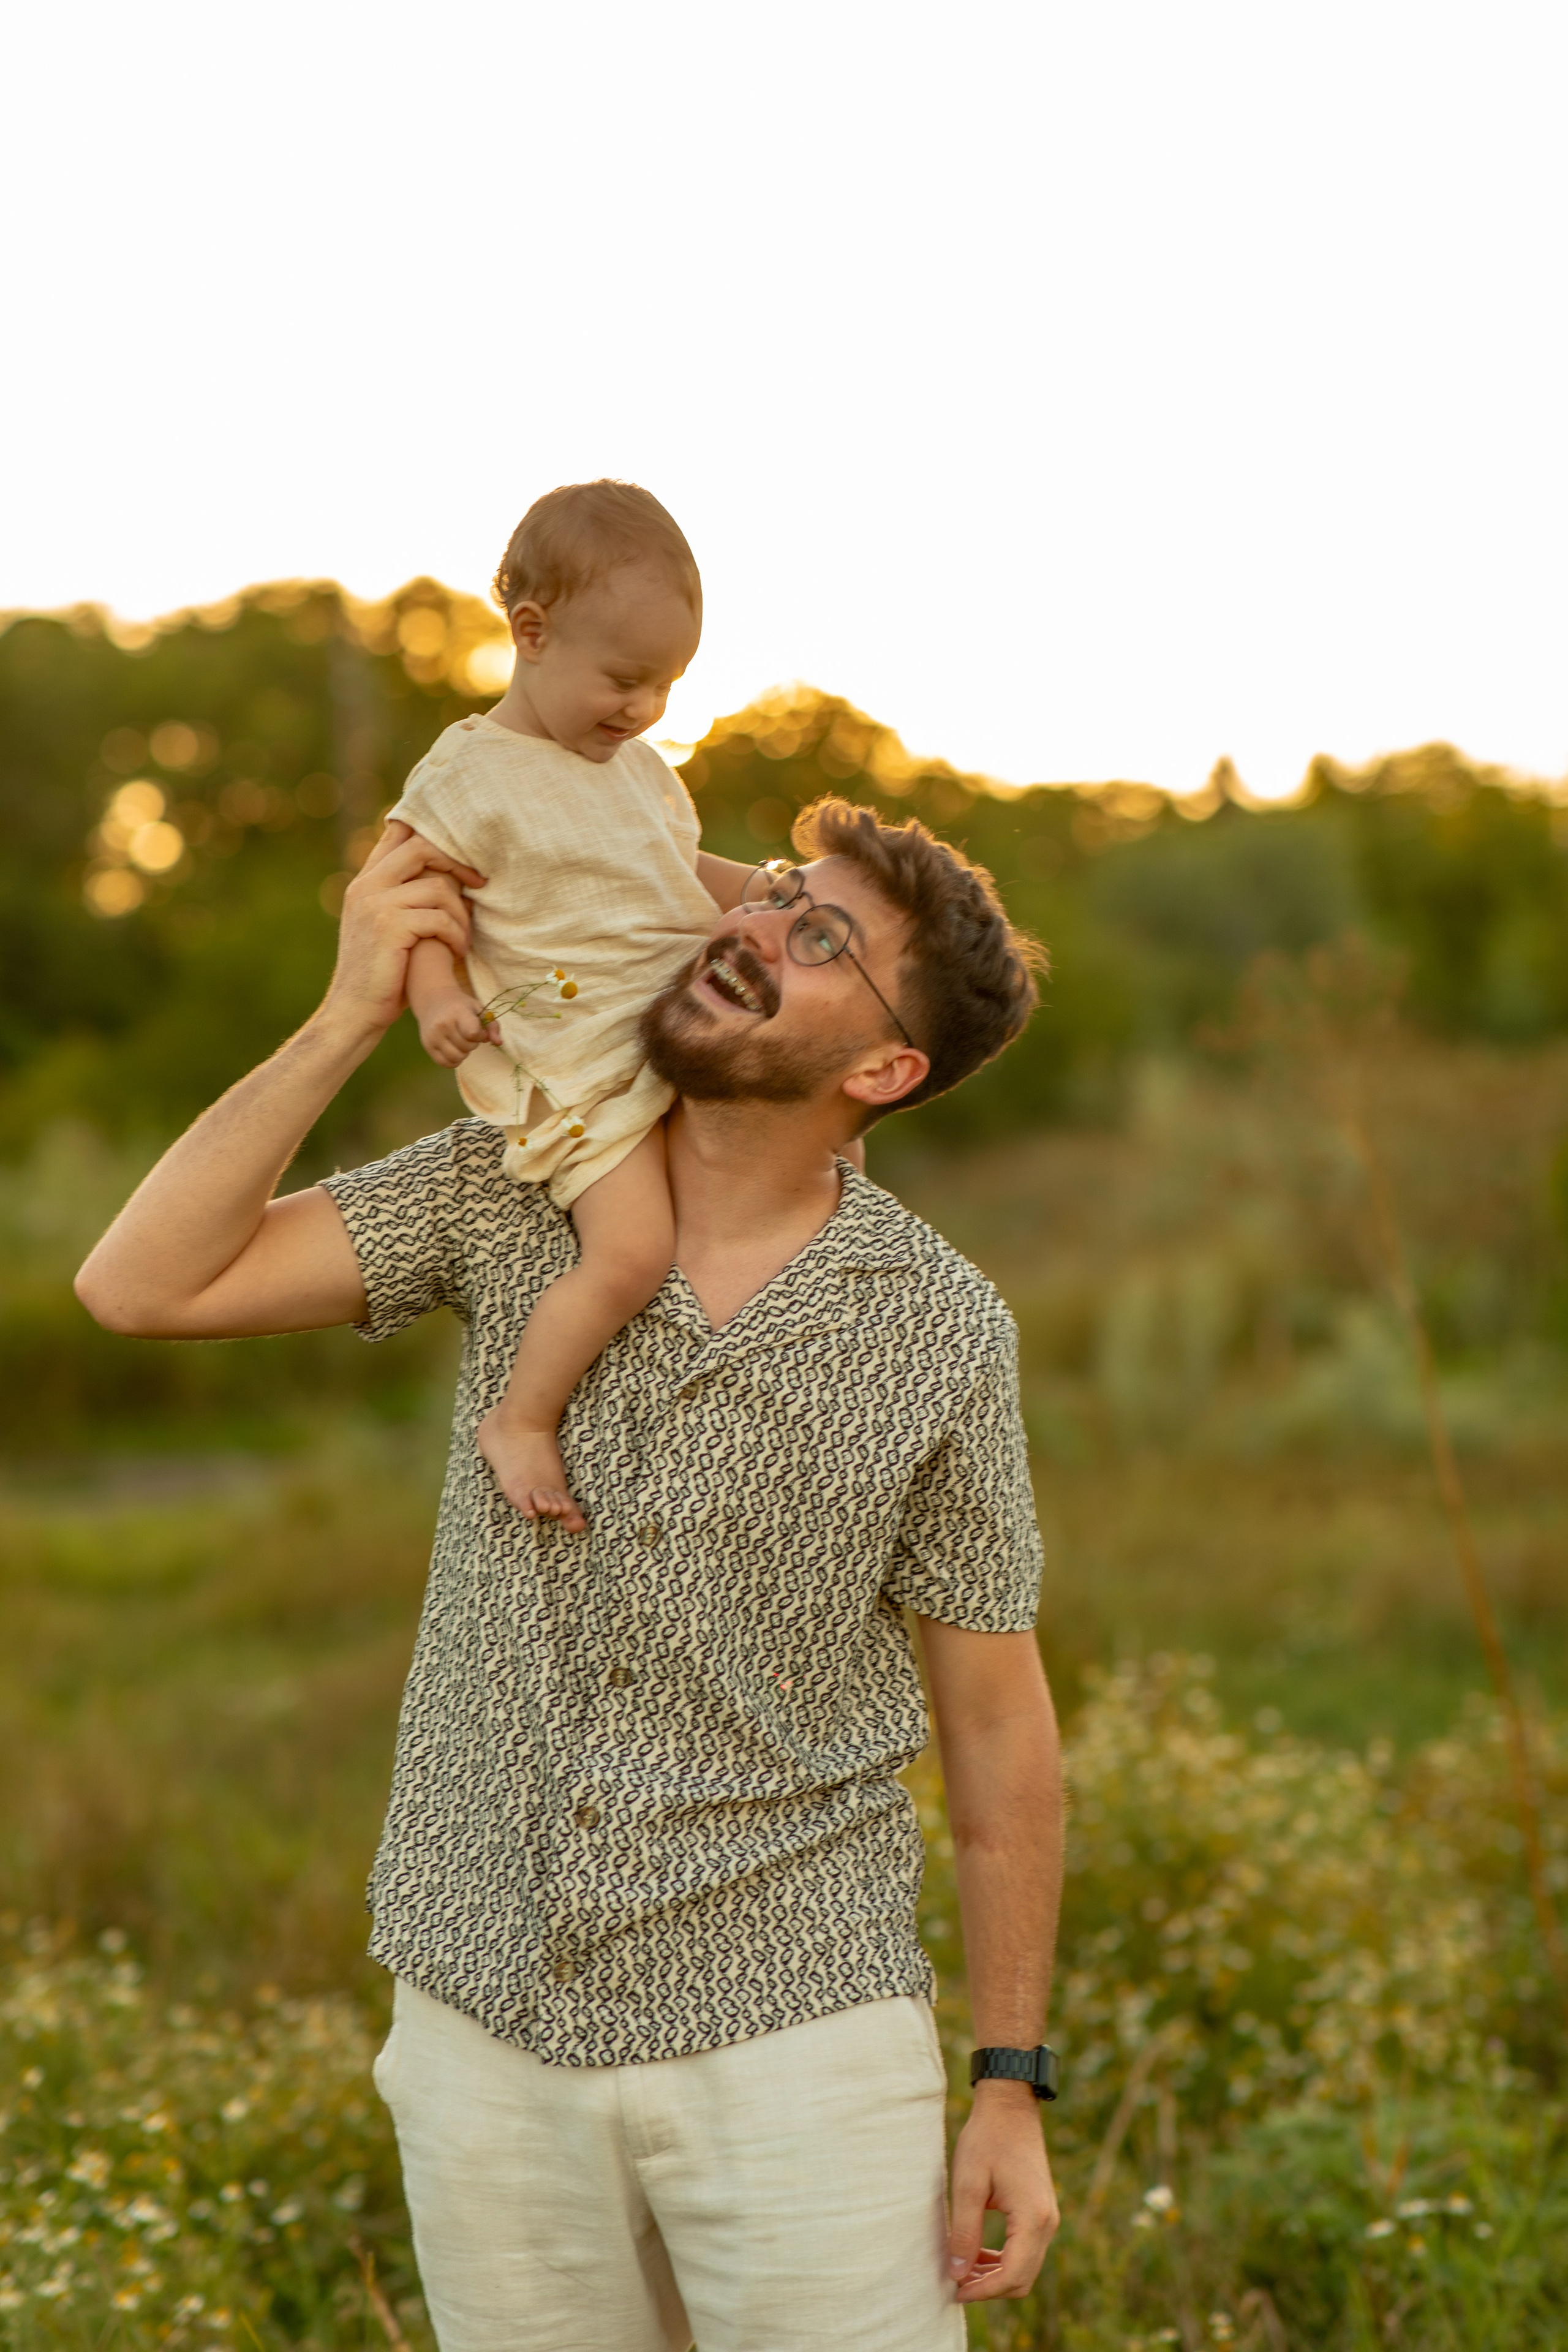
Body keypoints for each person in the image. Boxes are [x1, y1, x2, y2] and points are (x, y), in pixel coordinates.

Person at [75, 790, 1066, 2352]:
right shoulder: (506, 1183)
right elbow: (136, 1286)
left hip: (799, 2034)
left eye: (818, 939)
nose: (748, 927)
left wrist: (1009, 2086)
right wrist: (347, 1011)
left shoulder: (938, 1331)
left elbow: (999, 1731)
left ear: (884, 1069)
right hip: (486, 2038)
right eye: (772, 892)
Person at [394, 478, 762, 1534]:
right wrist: (433, 1002)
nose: (645, 711)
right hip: (587, 1069)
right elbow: (417, 906)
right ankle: (523, 1415)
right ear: (532, 631)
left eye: (668, 687)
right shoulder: (472, 775)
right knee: (633, 1253)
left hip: (686, 1033)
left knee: (819, 1149)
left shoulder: (639, 770)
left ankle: (784, 1362)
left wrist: (775, 887)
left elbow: (681, 870)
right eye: (626, 680)